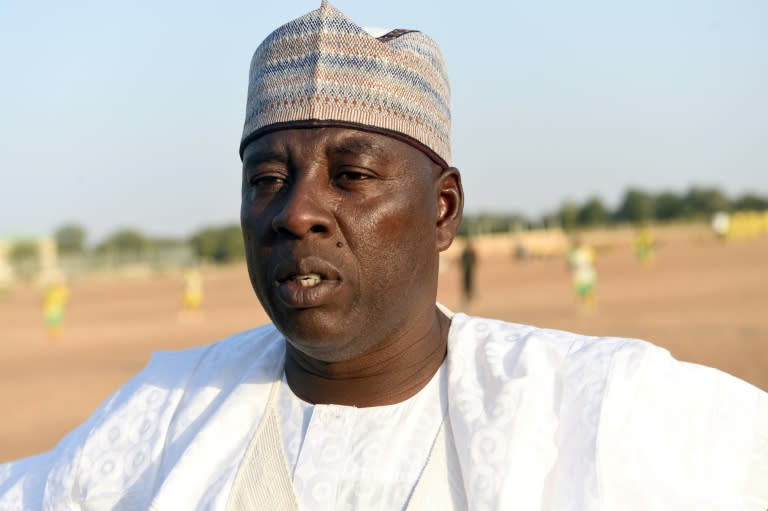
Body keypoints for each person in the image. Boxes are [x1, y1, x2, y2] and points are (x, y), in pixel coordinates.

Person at [2, 2, 767, 510]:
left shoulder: (596, 410)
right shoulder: (163, 416)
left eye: (352, 175)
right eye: (266, 178)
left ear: (442, 210)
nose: (296, 212)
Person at [567, 236, 597, 309]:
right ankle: (585, 305)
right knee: (581, 292)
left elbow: (593, 261)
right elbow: (569, 265)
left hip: (588, 274)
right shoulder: (572, 253)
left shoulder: (587, 250)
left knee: (589, 291)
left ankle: (591, 306)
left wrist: (585, 264)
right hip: (578, 275)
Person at [459, 239, 477, 305]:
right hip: (465, 271)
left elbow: (475, 260)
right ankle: (466, 297)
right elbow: (461, 260)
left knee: (470, 284)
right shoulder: (465, 253)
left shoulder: (472, 252)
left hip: (470, 271)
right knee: (465, 284)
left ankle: (470, 296)